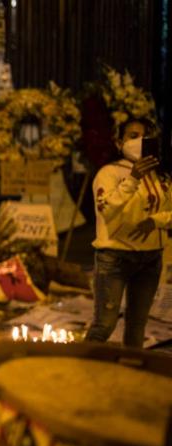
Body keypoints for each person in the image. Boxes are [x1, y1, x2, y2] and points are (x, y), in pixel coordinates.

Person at [86, 117, 172, 347]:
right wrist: (133, 179)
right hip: (115, 258)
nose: (139, 141)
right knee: (104, 325)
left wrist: (156, 221)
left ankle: (129, 374)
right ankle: (83, 371)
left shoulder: (160, 175)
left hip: (151, 258)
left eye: (145, 136)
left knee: (137, 326)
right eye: (133, 136)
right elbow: (107, 210)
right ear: (118, 142)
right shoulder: (109, 173)